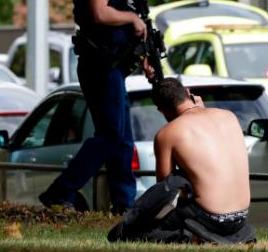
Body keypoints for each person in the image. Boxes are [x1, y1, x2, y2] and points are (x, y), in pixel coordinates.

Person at [39, 0, 154, 214]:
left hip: (113, 65)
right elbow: (99, 13)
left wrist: (145, 51)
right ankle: (60, 192)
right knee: (111, 135)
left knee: (123, 140)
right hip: (100, 63)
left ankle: (124, 205)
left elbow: (139, 21)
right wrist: (132, 19)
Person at [108, 78, 255, 244]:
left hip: (210, 218)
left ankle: (189, 237)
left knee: (136, 232)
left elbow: (165, 189)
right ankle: (214, 236)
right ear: (188, 93)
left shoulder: (167, 133)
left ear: (161, 110)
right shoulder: (229, 117)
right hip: (241, 219)